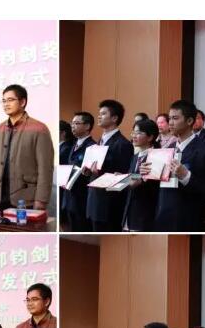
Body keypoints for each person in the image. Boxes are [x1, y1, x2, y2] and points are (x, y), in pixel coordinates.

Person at [0, 84, 54, 213]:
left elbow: (45, 167)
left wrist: (41, 199)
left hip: (26, 199)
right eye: (3, 101)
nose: (6, 104)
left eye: (10, 100)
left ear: (22, 102)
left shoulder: (39, 128)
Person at [148, 99, 205, 232]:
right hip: (162, 215)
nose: (170, 123)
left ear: (189, 121)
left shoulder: (204, 150)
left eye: (175, 118)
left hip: (185, 219)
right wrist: (148, 173)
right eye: (170, 118)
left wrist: (186, 176)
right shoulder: (167, 149)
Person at [83, 99, 134, 231]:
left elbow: (123, 178)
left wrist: (99, 172)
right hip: (94, 202)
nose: (99, 116)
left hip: (109, 206)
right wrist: (87, 171)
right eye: (99, 113)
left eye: (103, 113)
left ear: (114, 118)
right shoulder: (99, 142)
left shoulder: (123, 144)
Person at [121, 118, 161, 232]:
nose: (134, 136)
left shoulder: (157, 157)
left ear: (150, 137)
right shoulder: (135, 157)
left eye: (138, 133)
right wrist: (122, 178)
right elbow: (133, 179)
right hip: (129, 213)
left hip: (146, 213)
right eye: (133, 132)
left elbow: (157, 187)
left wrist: (141, 181)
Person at [61, 111, 96, 232]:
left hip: (82, 198)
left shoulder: (92, 146)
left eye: (76, 123)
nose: (73, 126)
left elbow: (90, 174)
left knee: (81, 228)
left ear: (87, 126)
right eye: (72, 123)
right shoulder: (74, 144)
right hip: (69, 196)